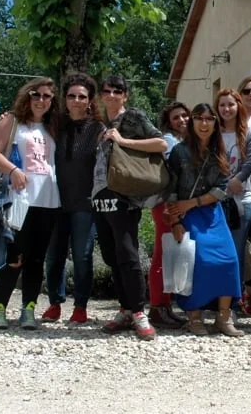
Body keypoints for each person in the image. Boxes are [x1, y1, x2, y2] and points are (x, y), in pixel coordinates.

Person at [91, 76, 168, 340]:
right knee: (112, 256)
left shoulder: (132, 117)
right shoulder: (101, 124)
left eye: (118, 90)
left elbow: (161, 143)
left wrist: (124, 141)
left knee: (127, 252)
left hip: (124, 196)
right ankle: (125, 309)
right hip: (100, 195)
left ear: (125, 95)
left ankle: (139, 311)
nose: (112, 94)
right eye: (107, 90)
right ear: (101, 95)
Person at [0, 77, 61, 331]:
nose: (41, 100)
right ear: (27, 96)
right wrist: (14, 170)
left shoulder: (53, 126)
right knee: (13, 254)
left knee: (37, 258)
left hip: (48, 200)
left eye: (47, 96)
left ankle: (28, 309)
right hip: (18, 200)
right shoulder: (12, 121)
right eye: (36, 94)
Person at [164, 103, 244, 336]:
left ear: (215, 123)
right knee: (195, 261)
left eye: (209, 119)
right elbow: (171, 188)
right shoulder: (179, 151)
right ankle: (194, 317)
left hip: (211, 212)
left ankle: (223, 318)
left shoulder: (220, 151)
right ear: (193, 122)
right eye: (199, 118)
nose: (204, 123)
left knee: (229, 260)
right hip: (185, 214)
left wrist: (193, 203)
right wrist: (175, 221)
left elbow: (222, 190)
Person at [41, 73, 105, 326]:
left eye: (82, 96)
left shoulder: (98, 129)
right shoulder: (54, 125)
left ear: (89, 100)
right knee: (53, 255)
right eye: (71, 96)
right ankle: (55, 303)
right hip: (56, 200)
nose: (76, 100)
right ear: (64, 99)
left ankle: (80, 306)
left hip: (84, 203)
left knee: (82, 255)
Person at [147, 101, 191, 328]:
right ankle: (157, 307)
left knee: (171, 254)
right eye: (176, 117)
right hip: (166, 203)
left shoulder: (185, 141)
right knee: (162, 255)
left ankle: (165, 306)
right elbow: (173, 175)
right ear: (169, 122)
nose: (182, 120)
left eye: (185, 115)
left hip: (177, 204)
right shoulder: (170, 141)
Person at [216, 89, 251, 287]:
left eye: (230, 104)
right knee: (218, 250)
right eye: (222, 105)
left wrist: (238, 179)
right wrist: (224, 185)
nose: (226, 109)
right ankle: (218, 298)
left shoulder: (248, 134)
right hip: (216, 200)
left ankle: (233, 300)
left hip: (242, 199)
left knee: (236, 250)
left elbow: (250, 162)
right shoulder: (214, 134)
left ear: (238, 105)